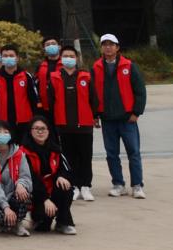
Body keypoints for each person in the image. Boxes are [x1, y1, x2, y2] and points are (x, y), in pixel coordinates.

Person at [93, 33, 147, 199]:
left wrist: (136, 112)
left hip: (127, 119)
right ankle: (118, 184)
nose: (108, 47)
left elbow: (140, 91)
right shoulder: (96, 68)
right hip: (107, 119)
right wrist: (95, 114)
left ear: (117, 47)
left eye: (111, 44)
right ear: (101, 48)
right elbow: (92, 93)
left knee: (133, 152)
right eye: (105, 44)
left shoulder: (129, 66)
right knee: (111, 154)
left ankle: (137, 185)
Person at [44, 46, 97, 202]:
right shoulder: (54, 77)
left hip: (84, 125)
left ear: (76, 58)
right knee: (69, 158)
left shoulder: (85, 76)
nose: (68, 58)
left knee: (85, 157)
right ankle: (73, 186)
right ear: (61, 58)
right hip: (64, 125)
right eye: (65, 56)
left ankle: (85, 186)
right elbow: (51, 102)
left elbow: (93, 99)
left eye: (71, 56)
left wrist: (94, 116)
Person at [23, 114, 76, 234]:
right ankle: (38, 219)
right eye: (36, 128)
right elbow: (31, 178)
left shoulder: (56, 150)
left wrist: (61, 176)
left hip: (53, 190)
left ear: (48, 131)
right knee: (43, 227)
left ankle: (63, 222)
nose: (40, 132)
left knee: (65, 186)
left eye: (43, 128)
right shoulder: (23, 152)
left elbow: (67, 170)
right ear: (30, 131)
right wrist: (45, 199)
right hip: (34, 194)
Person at [0, 120, 32, 236]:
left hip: (14, 194)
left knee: (25, 194)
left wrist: (21, 184)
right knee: (3, 221)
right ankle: (5, 221)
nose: (2, 135)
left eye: (6, 132)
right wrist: (5, 207)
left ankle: (18, 223)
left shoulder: (19, 153)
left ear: (11, 134)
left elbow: (26, 176)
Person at [0, 45, 40, 143]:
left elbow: (34, 99)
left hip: (24, 122)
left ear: (17, 58)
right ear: (1, 58)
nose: (8, 58)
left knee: (24, 148)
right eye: (5, 56)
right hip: (4, 122)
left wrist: (35, 120)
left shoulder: (26, 76)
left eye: (11, 55)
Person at [36, 37, 63, 103]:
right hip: (46, 104)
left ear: (59, 47)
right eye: (47, 45)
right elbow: (37, 85)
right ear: (44, 49)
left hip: (64, 103)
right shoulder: (40, 66)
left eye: (53, 44)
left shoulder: (66, 64)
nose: (51, 46)